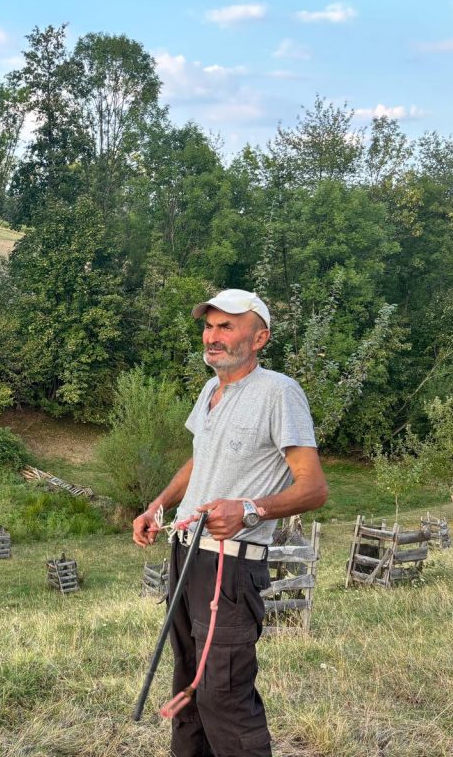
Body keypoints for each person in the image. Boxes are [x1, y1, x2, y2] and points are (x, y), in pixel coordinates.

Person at [132, 288, 328, 757]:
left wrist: (248, 510)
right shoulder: (210, 390)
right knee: (188, 681)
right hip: (186, 553)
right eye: (209, 326)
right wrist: (158, 504)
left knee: (223, 692)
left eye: (227, 327)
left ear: (260, 337)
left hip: (231, 566)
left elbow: (314, 489)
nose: (212, 336)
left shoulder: (279, 393)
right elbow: (201, 459)